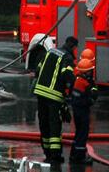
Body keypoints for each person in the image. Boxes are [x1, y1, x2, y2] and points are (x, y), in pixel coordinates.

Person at [33, 35, 78, 163]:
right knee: (54, 124)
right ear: (74, 47)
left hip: (40, 92)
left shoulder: (51, 51)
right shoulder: (67, 57)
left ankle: (47, 152)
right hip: (53, 95)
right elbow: (67, 75)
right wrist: (74, 89)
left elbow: (38, 69)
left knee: (44, 122)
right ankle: (55, 155)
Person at [68, 57, 98, 165]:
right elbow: (88, 98)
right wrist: (93, 95)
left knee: (78, 134)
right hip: (82, 112)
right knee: (82, 134)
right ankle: (80, 157)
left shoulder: (77, 80)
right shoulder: (84, 83)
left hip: (77, 111)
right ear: (86, 72)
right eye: (90, 71)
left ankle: (74, 155)